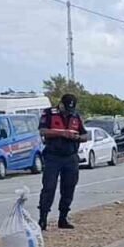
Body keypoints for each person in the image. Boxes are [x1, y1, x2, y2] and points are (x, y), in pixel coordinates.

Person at [38, 93, 84, 230]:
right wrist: (62, 133)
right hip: (53, 157)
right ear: (61, 104)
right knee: (49, 187)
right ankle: (43, 219)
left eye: (71, 109)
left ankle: (63, 218)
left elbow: (85, 135)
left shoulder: (75, 116)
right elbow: (42, 131)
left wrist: (76, 137)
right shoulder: (49, 113)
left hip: (70, 157)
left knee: (69, 188)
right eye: (66, 108)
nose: (68, 112)